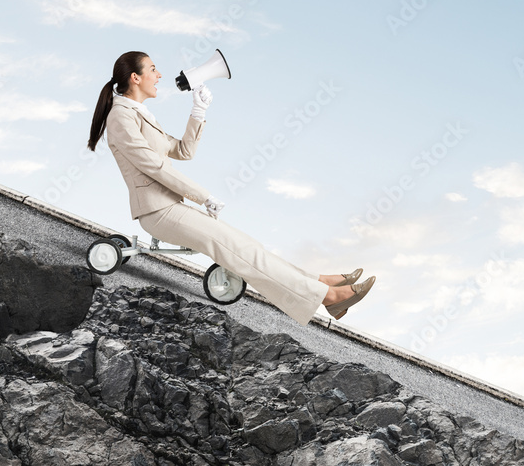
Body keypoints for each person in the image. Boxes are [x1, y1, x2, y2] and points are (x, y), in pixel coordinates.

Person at [87, 50, 375, 326]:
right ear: (135, 78)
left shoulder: (138, 112)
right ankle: (329, 297)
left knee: (248, 247)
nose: (159, 74)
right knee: (238, 252)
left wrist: (198, 111)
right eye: (152, 69)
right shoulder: (121, 116)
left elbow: (183, 152)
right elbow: (154, 166)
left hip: (170, 206)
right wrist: (203, 196)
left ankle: (320, 281)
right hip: (157, 211)